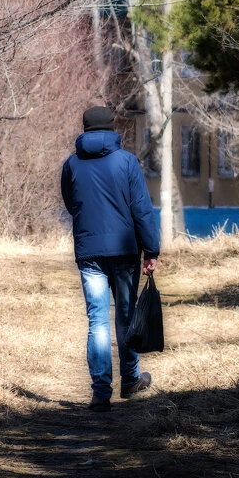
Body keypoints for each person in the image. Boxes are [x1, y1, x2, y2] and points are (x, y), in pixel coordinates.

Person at [60, 105, 160, 412]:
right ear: (112, 128)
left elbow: (70, 203)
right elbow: (141, 209)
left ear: (86, 128)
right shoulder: (127, 162)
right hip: (125, 249)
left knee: (97, 321)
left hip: (89, 252)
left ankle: (101, 392)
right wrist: (151, 249)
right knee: (125, 316)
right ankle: (130, 381)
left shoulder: (72, 164)